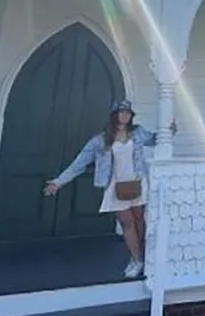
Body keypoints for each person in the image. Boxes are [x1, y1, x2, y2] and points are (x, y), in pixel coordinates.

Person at [43, 100, 177, 279]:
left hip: (137, 182)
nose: (125, 115)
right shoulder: (101, 139)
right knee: (127, 223)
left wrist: (169, 131)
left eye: (128, 112)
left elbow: (155, 139)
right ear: (114, 115)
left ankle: (146, 257)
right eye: (121, 112)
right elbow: (80, 163)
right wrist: (58, 182)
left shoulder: (138, 133)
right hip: (115, 186)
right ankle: (136, 260)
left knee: (140, 221)